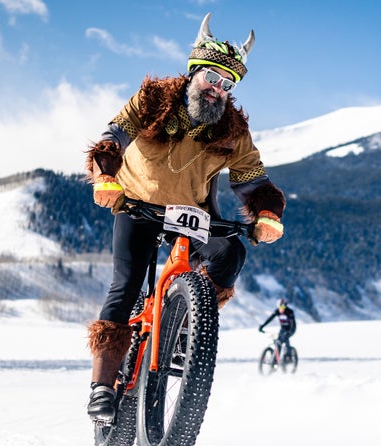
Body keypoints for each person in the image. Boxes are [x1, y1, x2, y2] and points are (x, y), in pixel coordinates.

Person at [84, 13, 286, 422]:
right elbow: (114, 135)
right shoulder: (153, 100)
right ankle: (102, 387)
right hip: (136, 205)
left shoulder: (233, 129)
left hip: (191, 214)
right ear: (194, 72)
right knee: (124, 287)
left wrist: (266, 212)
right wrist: (105, 173)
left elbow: (252, 178)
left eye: (227, 85)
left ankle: (182, 328)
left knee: (230, 254)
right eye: (211, 77)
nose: (217, 89)